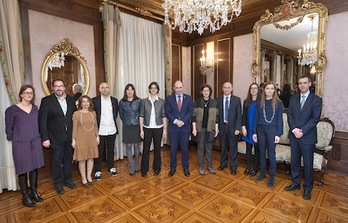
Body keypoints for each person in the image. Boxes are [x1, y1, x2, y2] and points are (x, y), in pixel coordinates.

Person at [5, 85, 44, 207]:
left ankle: (33, 192)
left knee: (34, 168)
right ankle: (25, 196)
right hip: (20, 143)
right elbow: (9, 129)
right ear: (21, 94)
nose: (29, 95)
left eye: (31, 93)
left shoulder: (35, 108)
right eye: (26, 92)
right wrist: (16, 139)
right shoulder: (12, 110)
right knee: (22, 170)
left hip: (35, 142)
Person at [285, 74, 322, 200]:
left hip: (308, 137)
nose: (302, 85)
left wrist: (302, 131)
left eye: (305, 83)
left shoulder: (316, 99)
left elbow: (315, 118)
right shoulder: (293, 98)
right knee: (294, 162)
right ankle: (295, 184)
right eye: (300, 83)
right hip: (294, 136)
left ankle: (307, 188)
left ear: (310, 84)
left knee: (307, 164)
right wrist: (294, 129)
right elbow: (289, 115)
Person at [39, 78, 77, 195]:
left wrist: (76, 136)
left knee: (68, 160)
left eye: (61, 86)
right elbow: (42, 121)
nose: (59, 88)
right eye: (56, 86)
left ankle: (68, 180)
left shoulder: (71, 100)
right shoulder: (46, 101)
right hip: (54, 137)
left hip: (69, 137)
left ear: (65, 88)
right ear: (53, 88)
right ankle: (58, 183)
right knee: (56, 161)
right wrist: (45, 138)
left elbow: (74, 118)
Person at [253, 81, 284, 188]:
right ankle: (262, 172)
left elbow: (280, 119)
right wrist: (254, 132)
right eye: (267, 89)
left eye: (272, 89)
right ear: (264, 90)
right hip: (260, 129)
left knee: (271, 153)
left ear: (274, 90)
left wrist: (278, 134)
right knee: (261, 151)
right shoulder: (259, 102)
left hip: (272, 130)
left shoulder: (279, 103)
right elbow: (256, 118)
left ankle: (272, 176)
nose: (269, 91)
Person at [165, 80, 193, 177]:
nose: (179, 89)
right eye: (176, 87)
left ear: (183, 87)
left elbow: (190, 112)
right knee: (173, 149)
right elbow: (167, 112)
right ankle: (173, 168)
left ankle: (186, 168)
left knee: (185, 149)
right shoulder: (169, 99)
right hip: (173, 128)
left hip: (185, 128)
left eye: (180, 87)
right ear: (173, 88)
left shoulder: (189, 98)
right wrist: (176, 121)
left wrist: (183, 121)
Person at [92, 82, 119, 180]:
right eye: (102, 87)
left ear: (109, 89)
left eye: (107, 87)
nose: (105, 89)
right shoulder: (94, 101)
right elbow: (93, 116)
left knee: (111, 150)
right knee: (99, 151)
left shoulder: (115, 100)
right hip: (100, 130)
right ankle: (98, 170)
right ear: (99, 89)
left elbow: (115, 114)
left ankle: (111, 167)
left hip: (112, 129)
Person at [139, 82, 167, 177]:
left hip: (158, 128)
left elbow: (164, 116)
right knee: (146, 150)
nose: (153, 89)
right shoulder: (144, 101)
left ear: (158, 89)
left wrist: (165, 130)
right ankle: (144, 170)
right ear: (149, 89)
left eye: (155, 88)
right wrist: (141, 130)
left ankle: (156, 169)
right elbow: (141, 116)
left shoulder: (162, 101)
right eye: (152, 88)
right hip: (147, 128)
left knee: (157, 150)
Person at [72, 95, 99, 186]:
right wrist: (73, 140)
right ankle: (83, 178)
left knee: (91, 157)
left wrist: (97, 136)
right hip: (81, 139)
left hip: (91, 137)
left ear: (90, 102)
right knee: (82, 159)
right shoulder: (77, 114)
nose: (85, 103)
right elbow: (74, 128)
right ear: (80, 103)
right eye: (83, 101)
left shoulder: (93, 113)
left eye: (87, 101)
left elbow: (95, 126)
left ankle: (89, 176)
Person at [192, 84, 219, 175]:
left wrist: (216, 129)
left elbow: (217, 117)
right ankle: (201, 166)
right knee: (200, 148)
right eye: (204, 91)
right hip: (200, 128)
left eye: (208, 91)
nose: (206, 92)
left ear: (210, 92)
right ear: (201, 92)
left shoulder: (214, 102)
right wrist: (194, 129)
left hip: (210, 128)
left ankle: (210, 166)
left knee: (209, 148)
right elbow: (193, 116)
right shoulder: (197, 102)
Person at [216, 82, 242, 175]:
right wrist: (216, 127)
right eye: (225, 87)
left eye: (228, 87)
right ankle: (223, 164)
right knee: (223, 147)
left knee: (233, 148)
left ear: (231, 89)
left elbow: (239, 115)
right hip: (222, 127)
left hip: (233, 128)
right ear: (222, 89)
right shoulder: (218, 100)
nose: (226, 89)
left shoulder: (236, 100)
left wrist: (238, 128)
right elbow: (216, 115)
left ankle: (233, 166)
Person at [119, 84, 142, 176]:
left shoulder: (139, 101)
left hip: (136, 125)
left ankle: (136, 164)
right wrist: (126, 121)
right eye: (128, 90)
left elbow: (141, 113)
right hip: (127, 126)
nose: (129, 91)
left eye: (131, 90)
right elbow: (121, 114)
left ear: (134, 91)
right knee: (128, 146)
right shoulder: (122, 102)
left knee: (136, 146)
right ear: (125, 91)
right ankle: (131, 166)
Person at [241, 83, 261, 177]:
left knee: (257, 150)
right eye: (251, 88)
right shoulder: (246, 102)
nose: (253, 90)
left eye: (255, 88)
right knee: (248, 149)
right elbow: (243, 116)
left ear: (258, 90)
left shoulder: (261, 102)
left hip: (258, 129)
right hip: (248, 128)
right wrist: (243, 127)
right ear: (249, 90)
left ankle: (255, 168)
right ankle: (248, 167)